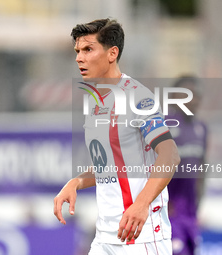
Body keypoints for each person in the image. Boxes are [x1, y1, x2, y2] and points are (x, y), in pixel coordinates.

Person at [53, 18, 180, 254]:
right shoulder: (94, 102)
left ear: (112, 53)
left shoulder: (137, 97)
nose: (79, 58)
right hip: (105, 237)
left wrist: (141, 205)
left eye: (88, 49)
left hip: (141, 236)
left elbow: (170, 155)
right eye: (77, 51)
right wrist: (77, 182)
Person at [167, 76, 208, 255]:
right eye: (188, 95)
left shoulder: (201, 128)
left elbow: (201, 169)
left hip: (190, 213)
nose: (194, 100)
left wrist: (198, 205)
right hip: (170, 212)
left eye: (196, 95)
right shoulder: (163, 126)